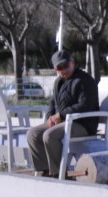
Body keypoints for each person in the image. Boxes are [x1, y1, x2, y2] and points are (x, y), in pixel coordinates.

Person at [27, 50, 99, 178]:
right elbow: (52, 102)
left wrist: (61, 115)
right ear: (55, 69)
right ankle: (45, 170)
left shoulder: (85, 80)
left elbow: (85, 105)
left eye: (65, 66)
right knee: (33, 134)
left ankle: (58, 173)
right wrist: (50, 117)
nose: (63, 70)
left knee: (49, 136)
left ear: (73, 63)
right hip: (63, 121)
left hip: (82, 124)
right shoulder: (58, 82)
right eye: (59, 68)